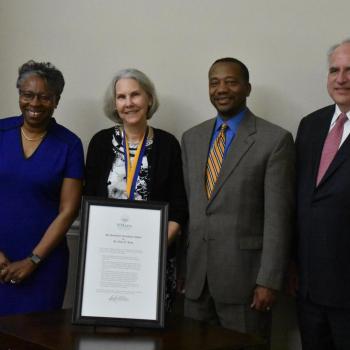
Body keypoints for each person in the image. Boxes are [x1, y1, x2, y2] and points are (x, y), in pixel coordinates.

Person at [181, 57, 295, 346]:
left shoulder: (275, 140)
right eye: (214, 82)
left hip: (245, 284)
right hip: (196, 282)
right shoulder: (191, 139)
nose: (222, 88)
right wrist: (184, 269)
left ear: (247, 88)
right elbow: (190, 211)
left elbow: (278, 217)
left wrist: (269, 280)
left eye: (231, 81)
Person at [84, 68, 187, 311]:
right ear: (115, 103)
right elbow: (88, 202)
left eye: (135, 95)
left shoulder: (168, 144)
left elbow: (179, 208)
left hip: (155, 259)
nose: (128, 103)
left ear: (149, 98)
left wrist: (151, 249)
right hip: (106, 260)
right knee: (107, 327)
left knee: (152, 332)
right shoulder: (99, 143)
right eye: (121, 97)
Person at [0, 60, 84, 316]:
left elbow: (68, 211)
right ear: (19, 96)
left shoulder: (69, 144)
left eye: (45, 97)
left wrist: (33, 260)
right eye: (28, 95)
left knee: (36, 337)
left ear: (56, 100)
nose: (34, 104)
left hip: (45, 265)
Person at [294, 39, 350, 350]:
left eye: (349, 70)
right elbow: (301, 200)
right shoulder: (311, 125)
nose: (341, 79)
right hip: (309, 289)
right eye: (334, 70)